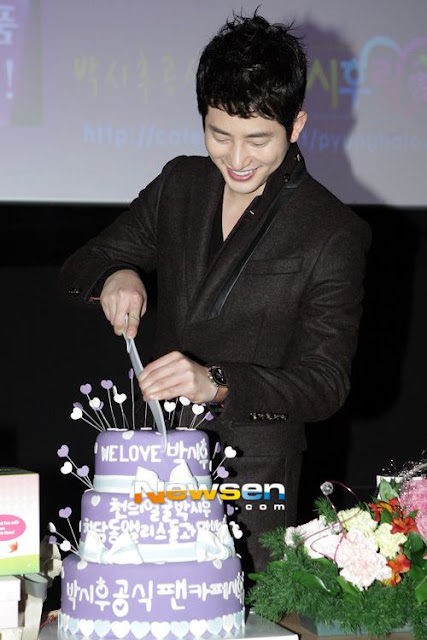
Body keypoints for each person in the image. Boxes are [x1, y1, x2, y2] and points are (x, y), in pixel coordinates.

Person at [58, 12, 371, 577]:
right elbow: (83, 264)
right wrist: (116, 275)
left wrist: (217, 382)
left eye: (258, 139)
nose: (237, 159)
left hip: (253, 479)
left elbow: (326, 383)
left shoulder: (332, 231)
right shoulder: (180, 184)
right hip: (152, 461)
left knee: (243, 610)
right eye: (219, 135)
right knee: (148, 601)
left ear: (296, 125)